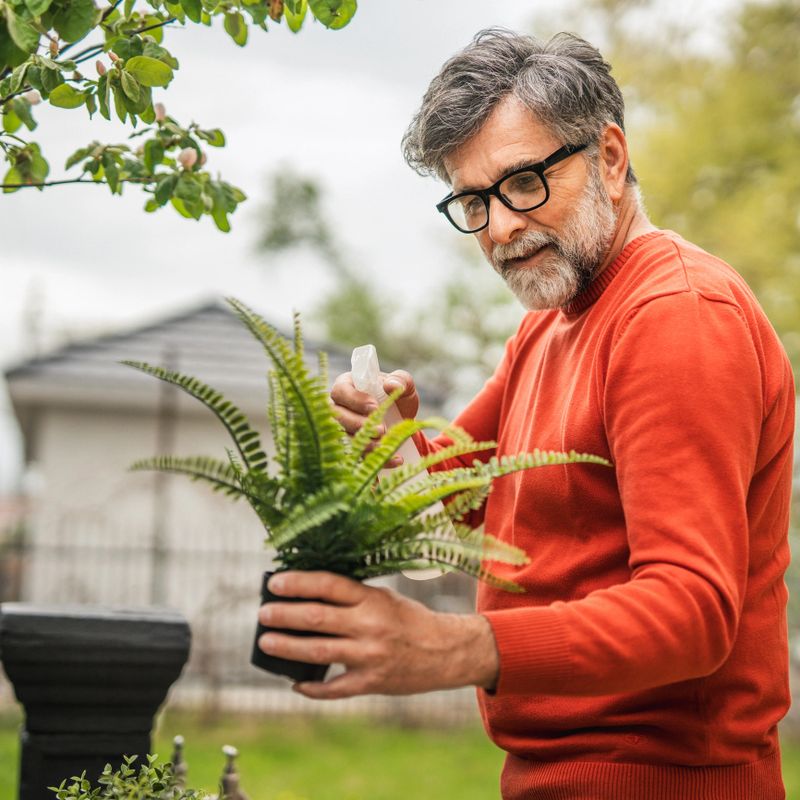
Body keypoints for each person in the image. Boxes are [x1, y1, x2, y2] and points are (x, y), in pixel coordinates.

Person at [256, 29, 795, 799]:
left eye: (525, 182)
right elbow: (460, 499)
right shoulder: (551, 321)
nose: (501, 226)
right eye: (473, 200)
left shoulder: (677, 316)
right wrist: (391, 433)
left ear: (609, 159)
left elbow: (692, 610)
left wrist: (456, 648)